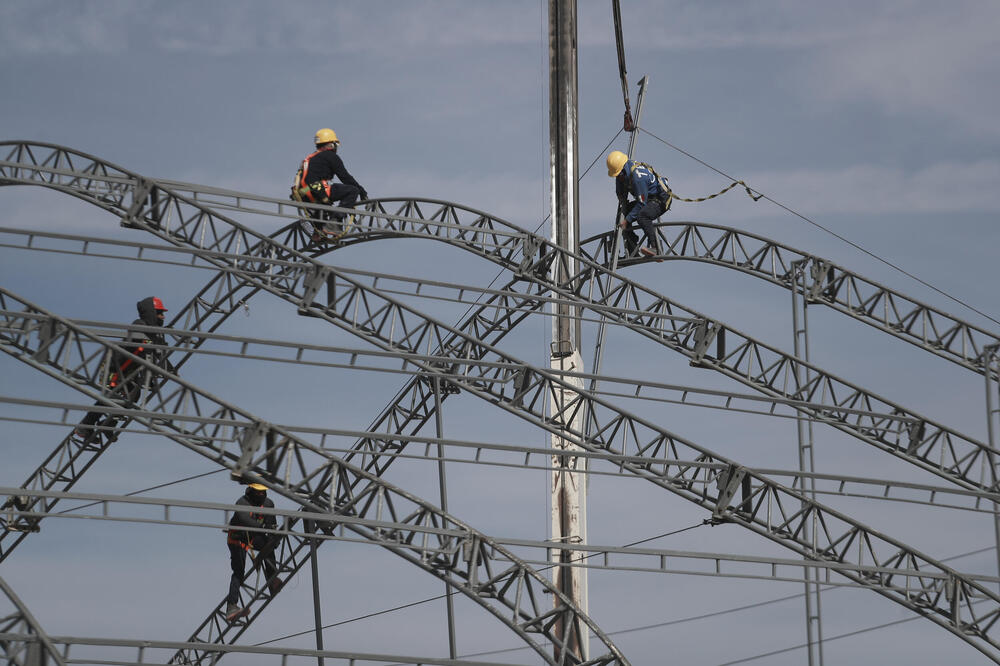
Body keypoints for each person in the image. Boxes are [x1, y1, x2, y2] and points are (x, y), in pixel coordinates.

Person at [77, 296, 171, 437]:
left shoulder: (152, 335)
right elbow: (143, 350)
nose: (163, 317)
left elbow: (147, 358)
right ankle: (85, 426)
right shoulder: (139, 325)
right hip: (115, 368)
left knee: (132, 396)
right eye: (160, 313)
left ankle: (108, 424)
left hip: (127, 371)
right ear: (151, 313)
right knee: (110, 396)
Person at [291, 128, 368, 239]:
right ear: (331, 144)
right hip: (317, 190)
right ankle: (334, 223)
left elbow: (305, 180)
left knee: (322, 207)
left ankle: (319, 232)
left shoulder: (310, 159)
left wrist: (322, 197)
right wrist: (361, 190)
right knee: (352, 191)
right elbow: (345, 177)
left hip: (306, 195)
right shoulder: (329, 156)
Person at [225, 483, 282, 622]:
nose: (261, 494)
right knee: (239, 572)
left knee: (269, 546)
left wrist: (273, 538)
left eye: (263, 492)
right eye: (258, 492)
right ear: (251, 491)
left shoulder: (268, 504)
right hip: (237, 539)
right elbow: (245, 520)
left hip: (252, 537)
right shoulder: (242, 503)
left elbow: (271, 524)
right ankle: (232, 606)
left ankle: (272, 580)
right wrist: (263, 527)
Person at [607, 150, 669, 259]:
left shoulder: (637, 178)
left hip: (660, 199)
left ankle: (655, 248)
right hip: (648, 198)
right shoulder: (622, 172)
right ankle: (632, 250)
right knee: (625, 214)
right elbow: (620, 190)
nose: (618, 178)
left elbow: (641, 203)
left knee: (643, 216)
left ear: (623, 170)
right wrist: (621, 199)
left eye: (619, 175)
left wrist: (627, 221)